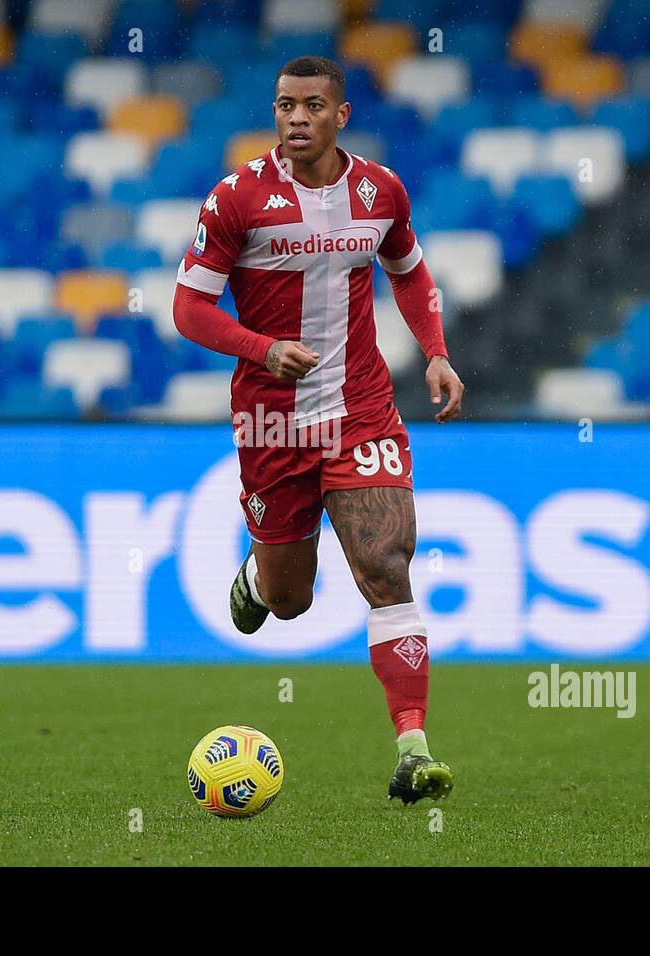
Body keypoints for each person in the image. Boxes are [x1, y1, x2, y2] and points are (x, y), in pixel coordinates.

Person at [171, 55, 464, 804]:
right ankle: (256, 577)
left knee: (385, 561)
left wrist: (435, 353)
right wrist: (262, 348)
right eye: (283, 105)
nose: (296, 118)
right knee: (289, 599)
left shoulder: (380, 191)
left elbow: (411, 272)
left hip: (361, 407)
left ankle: (413, 749)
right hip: (273, 421)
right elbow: (190, 309)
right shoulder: (236, 199)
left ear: (341, 114)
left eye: (310, 106)